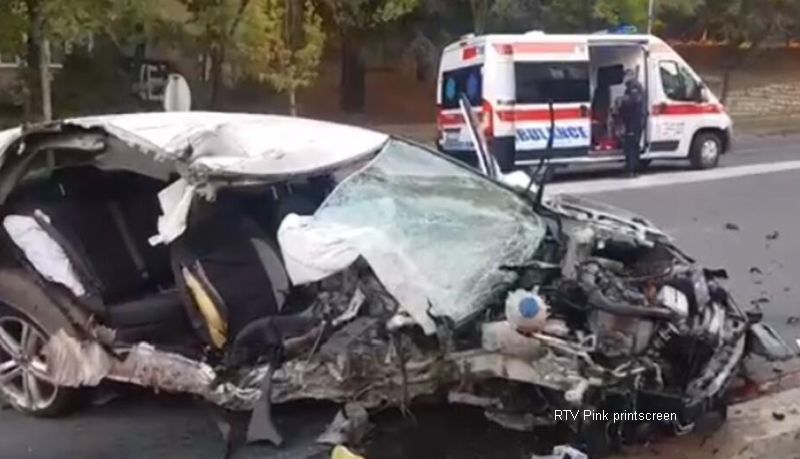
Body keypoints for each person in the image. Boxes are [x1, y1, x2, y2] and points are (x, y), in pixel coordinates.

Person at [619, 69, 646, 177]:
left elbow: (633, 103)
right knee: (631, 145)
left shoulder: (634, 87)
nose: (624, 78)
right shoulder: (630, 87)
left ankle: (632, 170)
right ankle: (631, 168)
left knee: (632, 146)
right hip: (633, 121)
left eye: (625, 76)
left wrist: (623, 102)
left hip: (634, 121)